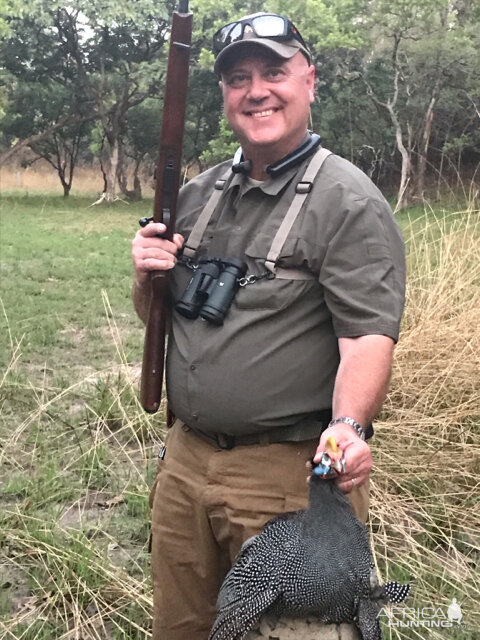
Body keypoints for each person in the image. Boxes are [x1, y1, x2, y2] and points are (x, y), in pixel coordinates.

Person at [131, 12, 406, 640]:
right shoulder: (195, 196)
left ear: (309, 80)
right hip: (185, 464)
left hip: (290, 482)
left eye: (274, 72)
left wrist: (348, 427)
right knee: (184, 628)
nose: (256, 90)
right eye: (238, 77)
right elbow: (162, 320)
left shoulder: (348, 201)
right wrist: (147, 278)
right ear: (225, 96)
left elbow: (367, 335)